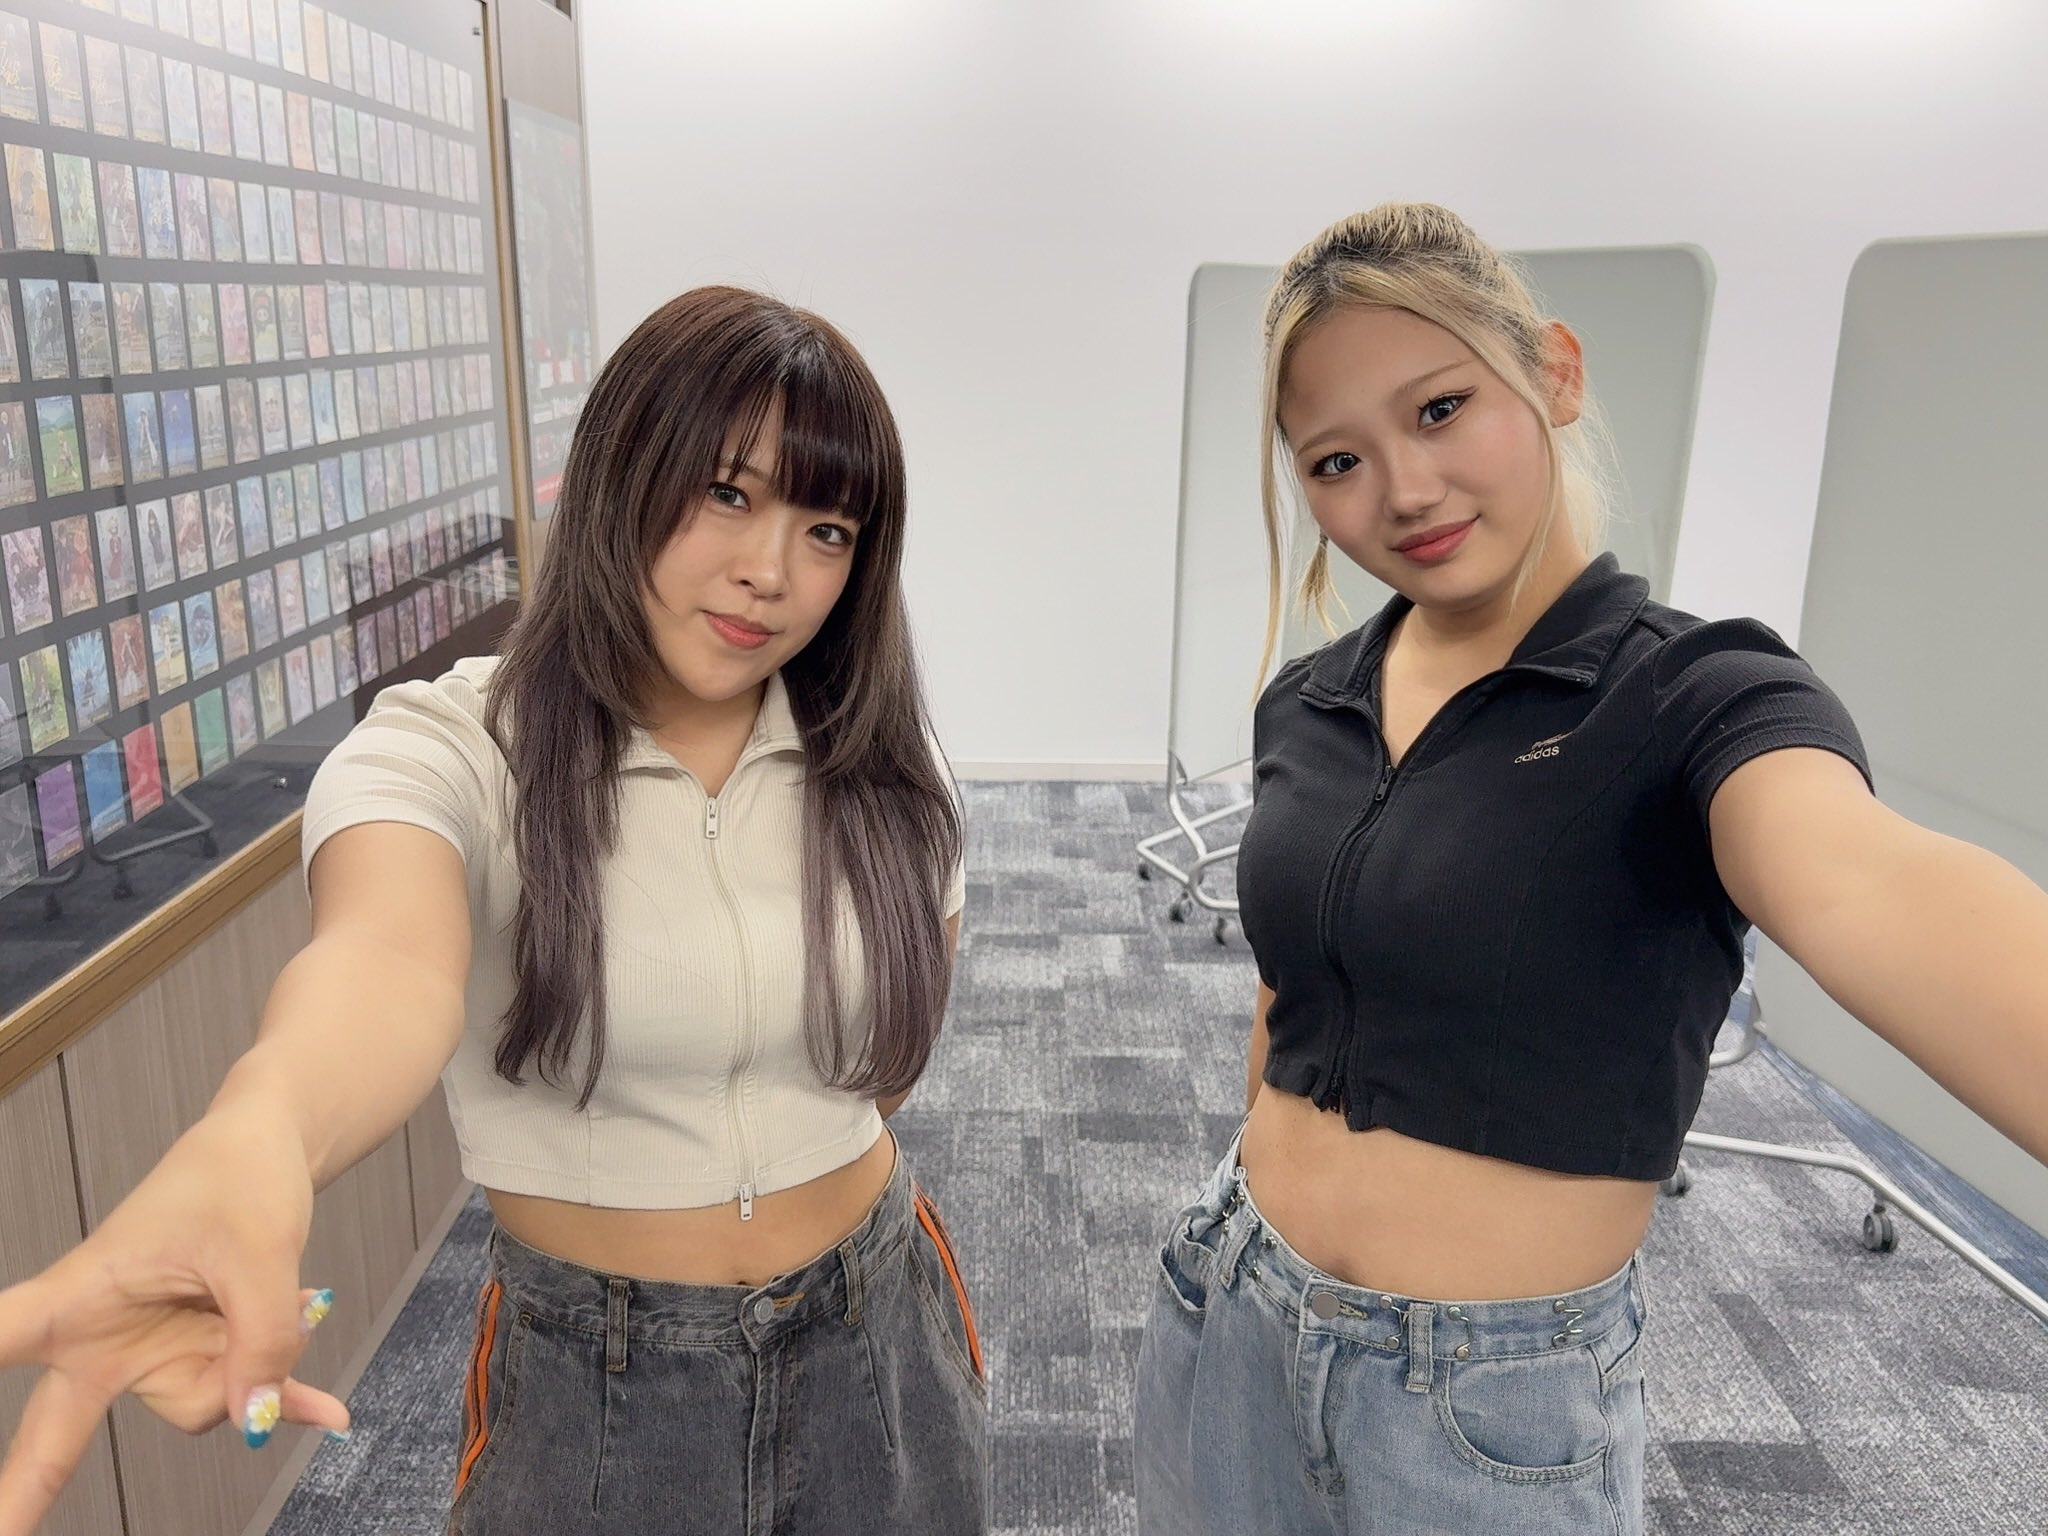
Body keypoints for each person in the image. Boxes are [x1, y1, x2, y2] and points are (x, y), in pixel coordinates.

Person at [0, 288, 988, 1536]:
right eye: (726, 494)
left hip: (880, 1335)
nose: (770, 572)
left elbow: (885, 1062)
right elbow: (382, 966)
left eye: (826, 528)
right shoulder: (455, 748)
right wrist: (259, 1135)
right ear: (622, 472)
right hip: (601, 1379)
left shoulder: (887, 768)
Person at [1131, 202, 2048, 1535]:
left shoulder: (1691, 697)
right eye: (1336, 460)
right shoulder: (1310, 701)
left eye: (1439, 409)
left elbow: (1867, 883)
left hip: (1476, 1408)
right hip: (1229, 1305)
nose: (1403, 490)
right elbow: (1291, 1002)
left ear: (1553, 373)